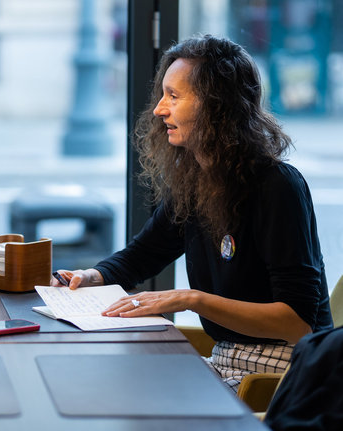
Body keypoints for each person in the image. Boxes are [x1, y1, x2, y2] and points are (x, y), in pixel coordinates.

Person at [51, 35, 333, 391]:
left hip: (285, 371)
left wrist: (190, 299)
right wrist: (90, 276)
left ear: (218, 107)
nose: (159, 109)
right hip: (228, 357)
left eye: (174, 96)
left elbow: (297, 322)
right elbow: (145, 253)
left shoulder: (276, 186)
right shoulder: (199, 179)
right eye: (162, 94)